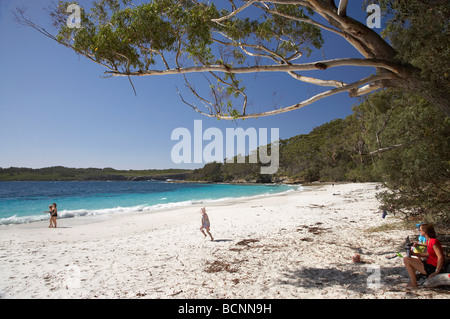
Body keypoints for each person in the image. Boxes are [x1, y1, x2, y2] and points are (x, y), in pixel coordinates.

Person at [403, 223, 445, 288]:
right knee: (408, 259)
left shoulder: (434, 242)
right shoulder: (429, 241)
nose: (419, 231)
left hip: (432, 267)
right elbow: (429, 254)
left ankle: (414, 283)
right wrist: (415, 254)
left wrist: (436, 272)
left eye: (420, 230)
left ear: (424, 232)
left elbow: (440, 257)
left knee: (406, 260)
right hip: (429, 263)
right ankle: (414, 282)